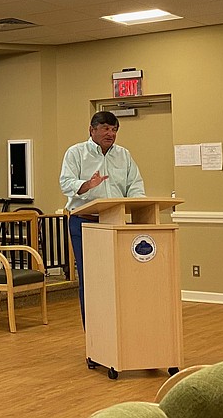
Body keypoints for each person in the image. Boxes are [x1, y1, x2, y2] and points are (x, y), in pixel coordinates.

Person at [59, 111, 145, 327]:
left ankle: (118, 328)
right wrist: (88, 185)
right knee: (91, 279)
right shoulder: (76, 153)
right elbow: (66, 182)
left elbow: (134, 184)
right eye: (106, 128)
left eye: (114, 129)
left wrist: (139, 202)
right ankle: (95, 334)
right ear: (92, 130)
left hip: (115, 222)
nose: (111, 133)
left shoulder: (124, 155)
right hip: (84, 222)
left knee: (118, 277)